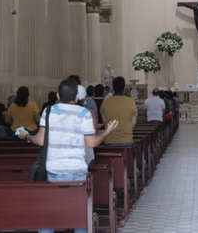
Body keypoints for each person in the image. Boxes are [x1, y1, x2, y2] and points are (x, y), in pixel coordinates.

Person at [18, 77, 119, 233]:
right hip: (77, 171)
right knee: (79, 216)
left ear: (58, 96)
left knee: (48, 215)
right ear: (77, 97)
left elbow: (39, 140)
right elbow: (91, 143)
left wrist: (25, 136)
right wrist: (107, 132)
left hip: (52, 171)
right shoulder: (84, 113)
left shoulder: (49, 111)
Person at [100, 76, 138, 145]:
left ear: (113, 88)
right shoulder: (131, 102)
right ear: (124, 88)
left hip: (110, 140)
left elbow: (104, 121)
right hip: (126, 139)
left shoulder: (105, 101)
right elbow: (133, 122)